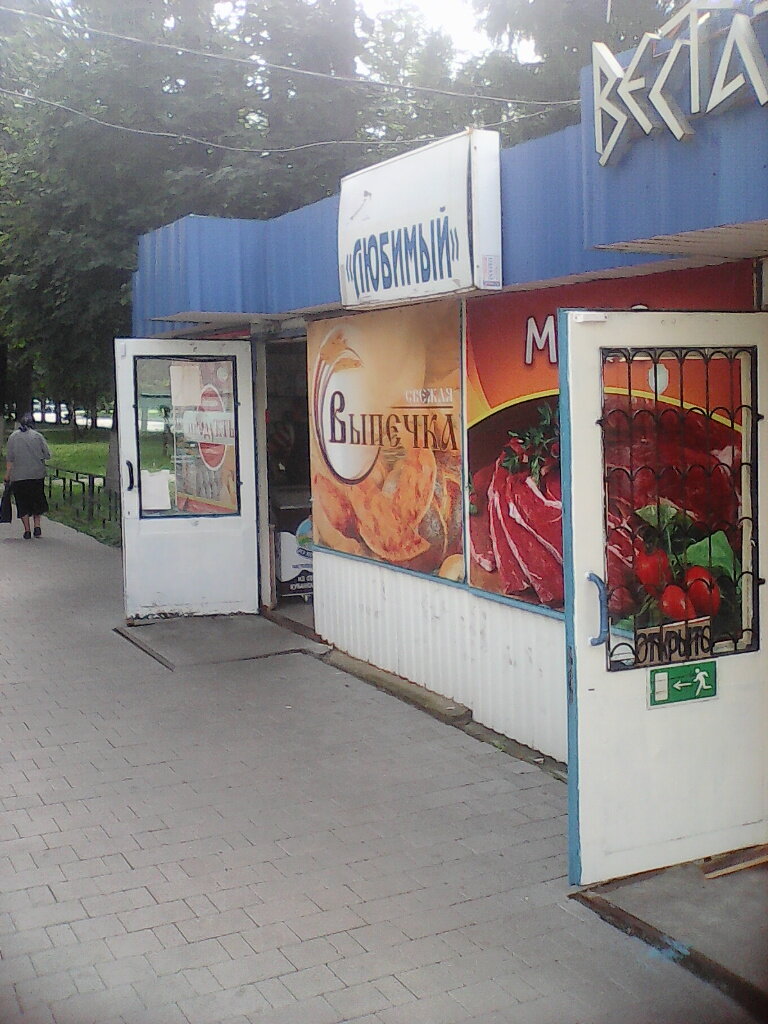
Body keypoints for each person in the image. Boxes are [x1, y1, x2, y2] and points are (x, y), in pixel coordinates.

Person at [4, 412, 51, 540]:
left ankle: (27, 530)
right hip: (37, 475)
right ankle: (37, 526)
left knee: (22, 503)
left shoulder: (12, 437)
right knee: (37, 500)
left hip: (18, 476)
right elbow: (47, 455)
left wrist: (7, 475)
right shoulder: (38, 436)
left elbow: (10, 459)